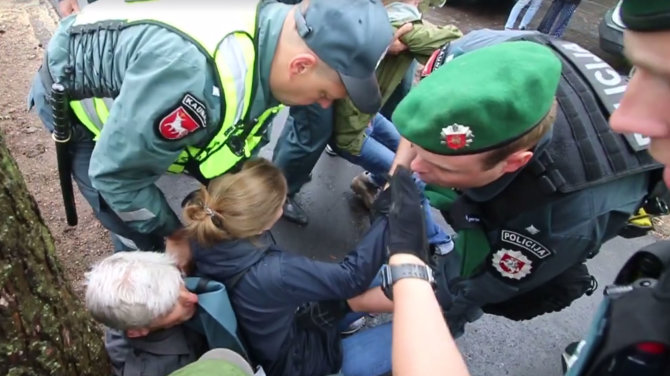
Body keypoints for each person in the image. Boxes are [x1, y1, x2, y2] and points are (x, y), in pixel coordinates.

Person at [28, 0, 393, 254]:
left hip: (144, 91)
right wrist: (172, 236)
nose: (324, 104)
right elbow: (115, 177)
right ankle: (137, 258)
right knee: (132, 225)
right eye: (326, 93)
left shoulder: (274, 31)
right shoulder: (190, 83)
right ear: (300, 65)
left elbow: (236, 133)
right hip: (76, 105)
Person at [390, 38, 661, 337]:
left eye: (442, 166)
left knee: (450, 297)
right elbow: (421, 118)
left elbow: (475, 286)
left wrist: (398, 292)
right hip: (501, 185)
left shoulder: (562, 218)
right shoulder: (486, 50)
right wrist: (398, 171)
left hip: (550, 214)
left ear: (513, 162)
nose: (417, 167)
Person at [274, 0, 446, 226]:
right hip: (333, 37)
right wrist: (384, 39)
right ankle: (280, 193)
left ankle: (291, 173)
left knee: (336, 115)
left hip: (359, 29)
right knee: (312, 129)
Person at [85, 251, 206, 375]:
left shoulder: (128, 312)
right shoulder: (158, 369)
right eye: (170, 309)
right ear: (136, 332)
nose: (192, 297)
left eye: (179, 282)